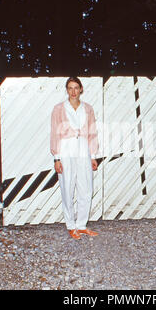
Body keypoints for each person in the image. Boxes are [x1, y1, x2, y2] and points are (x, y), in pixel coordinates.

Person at [50, 77, 99, 240]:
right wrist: (57, 158)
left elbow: (92, 133)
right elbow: (55, 133)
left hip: (83, 148)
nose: (73, 91)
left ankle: (81, 225)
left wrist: (93, 155)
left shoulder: (88, 109)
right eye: (70, 88)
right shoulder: (59, 109)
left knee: (85, 187)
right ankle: (71, 225)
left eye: (76, 88)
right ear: (66, 90)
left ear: (81, 89)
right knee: (67, 186)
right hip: (66, 148)